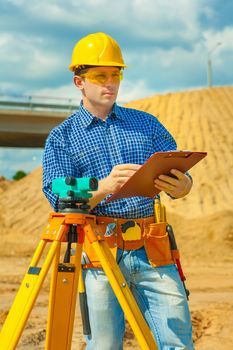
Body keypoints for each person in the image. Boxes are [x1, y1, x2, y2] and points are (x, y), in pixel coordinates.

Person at [42, 32, 194, 350]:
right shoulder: (62, 137)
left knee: (177, 342)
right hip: (99, 253)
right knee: (105, 345)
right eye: (100, 76)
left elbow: (178, 173)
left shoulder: (147, 125)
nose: (110, 83)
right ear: (78, 81)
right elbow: (57, 194)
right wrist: (103, 186)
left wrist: (183, 187)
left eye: (116, 74)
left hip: (153, 250)